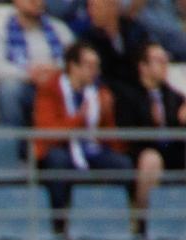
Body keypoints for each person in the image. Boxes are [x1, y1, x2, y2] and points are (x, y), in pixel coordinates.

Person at [121, 41, 186, 213]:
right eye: (158, 60)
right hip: (148, 150)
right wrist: (155, 121)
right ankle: (145, 219)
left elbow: (185, 131)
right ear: (143, 67)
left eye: (166, 60)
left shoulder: (174, 96)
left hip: (176, 150)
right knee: (151, 160)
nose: (165, 65)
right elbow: (133, 134)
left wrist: (185, 120)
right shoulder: (130, 96)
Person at [34, 43, 134, 205]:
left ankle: (111, 217)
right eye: (90, 66)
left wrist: (108, 112)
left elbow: (108, 134)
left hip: (90, 148)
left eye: (97, 66)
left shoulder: (99, 92)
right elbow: (48, 132)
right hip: (60, 146)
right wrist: (79, 118)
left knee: (122, 165)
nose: (95, 72)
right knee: (58, 161)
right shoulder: (50, 89)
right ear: (73, 66)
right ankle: (59, 222)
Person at [0, 0, 69, 126]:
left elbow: (75, 59)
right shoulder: (1, 32)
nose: (36, 2)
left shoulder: (59, 28)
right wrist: (29, 74)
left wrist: (55, 69)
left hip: (57, 86)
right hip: (25, 87)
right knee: (8, 91)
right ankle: (15, 143)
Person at [75, 0, 150, 116]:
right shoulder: (87, 39)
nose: (90, 12)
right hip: (111, 94)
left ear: (112, 7)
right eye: (89, 7)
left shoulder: (135, 32)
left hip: (139, 91)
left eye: (96, 7)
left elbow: (145, 61)